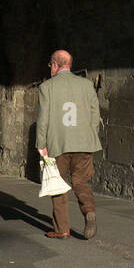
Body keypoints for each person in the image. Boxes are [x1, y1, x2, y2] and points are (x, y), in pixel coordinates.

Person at [36, 49, 102, 240]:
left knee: (59, 185)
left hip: (59, 143)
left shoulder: (47, 87)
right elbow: (95, 114)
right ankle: (89, 210)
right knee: (81, 181)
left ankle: (62, 228)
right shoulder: (86, 85)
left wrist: (41, 144)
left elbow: (43, 120)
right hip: (84, 143)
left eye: (51, 65)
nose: (50, 69)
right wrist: (90, 135)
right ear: (69, 65)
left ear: (55, 65)